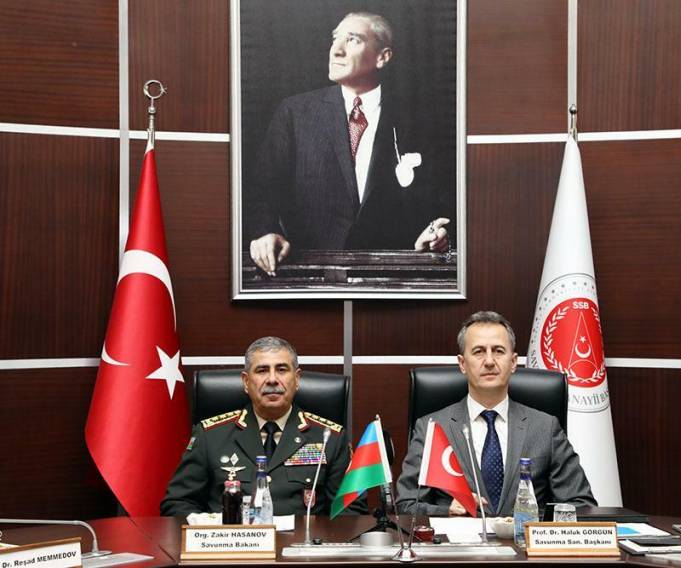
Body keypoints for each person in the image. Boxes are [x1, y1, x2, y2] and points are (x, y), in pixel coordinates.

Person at [248, 11, 453, 275]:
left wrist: (432, 235)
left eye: (353, 39)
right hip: (306, 274)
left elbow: (437, 202)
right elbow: (262, 191)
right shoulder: (295, 113)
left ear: (382, 57)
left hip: (390, 276)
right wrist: (265, 232)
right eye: (335, 39)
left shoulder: (417, 121)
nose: (336, 50)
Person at [395, 311, 596, 517]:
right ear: (462, 364)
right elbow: (406, 505)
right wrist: (447, 511)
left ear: (514, 362)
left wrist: (537, 523)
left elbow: (581, 504)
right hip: (460, 538)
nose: (489, 361)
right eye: (479, 351)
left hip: (525, 537)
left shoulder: (546, 427)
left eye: (498, 351)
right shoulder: (433, 427)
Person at [161, 337, 364, 517]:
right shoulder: (210, 436)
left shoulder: (330, 437)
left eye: (282, 369)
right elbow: (177, 503)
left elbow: (351, 510)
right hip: (233, 546)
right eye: (262, 370)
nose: (273, 379)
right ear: (246, 381)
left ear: (297, 379)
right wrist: (209, 527)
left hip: (302, 546)